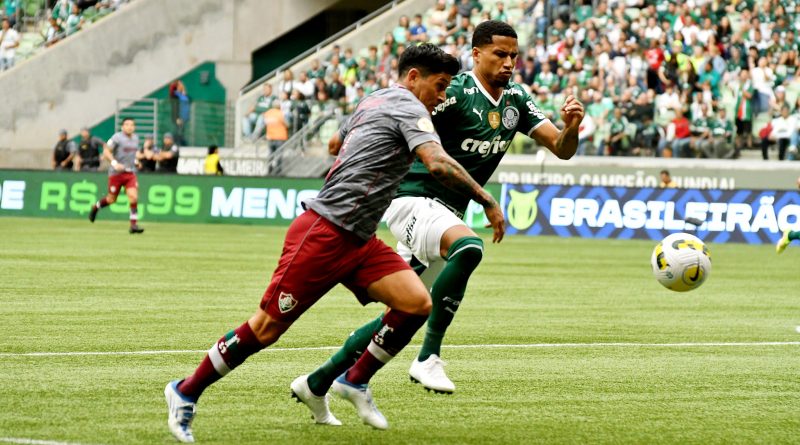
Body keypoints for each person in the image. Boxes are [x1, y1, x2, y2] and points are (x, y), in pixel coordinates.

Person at [163, 43, 504, 441]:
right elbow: (437, 161)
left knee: (415, 303)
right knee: (266, 328)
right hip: (323, 232)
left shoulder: (373, 99)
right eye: (440, 85)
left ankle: (353, 381)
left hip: (359, 238)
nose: (443, 96)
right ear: (414, 78)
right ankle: (185, 391)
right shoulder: (410, 107)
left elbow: (334, 143)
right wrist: (487, 200)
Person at [298, 20, 583, 405]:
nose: (508, 63)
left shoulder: (516, 98)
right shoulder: (454, 93)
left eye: (514, 56)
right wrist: (349, 135)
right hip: (410, 199)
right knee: (469, 248)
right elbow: (396, 110)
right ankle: (429, 356)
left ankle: (318, 380)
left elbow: (562, 149)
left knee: (401, 312)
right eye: (500, 54)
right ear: (476, 54)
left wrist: (572, 127)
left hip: (446, 211)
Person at [88, 118, 144, 234]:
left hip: (130, 173)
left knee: (133, 197)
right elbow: (106, 151)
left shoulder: (135, 138)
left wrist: (137, 161)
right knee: (111, 199)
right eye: (127, 124)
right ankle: (96, 207)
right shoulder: (117, 138)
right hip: (116, 174)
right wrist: (114, 163)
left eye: (132, 125)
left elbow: (134, 154)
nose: (129, 127)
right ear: (123, 127)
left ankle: (133, 225)